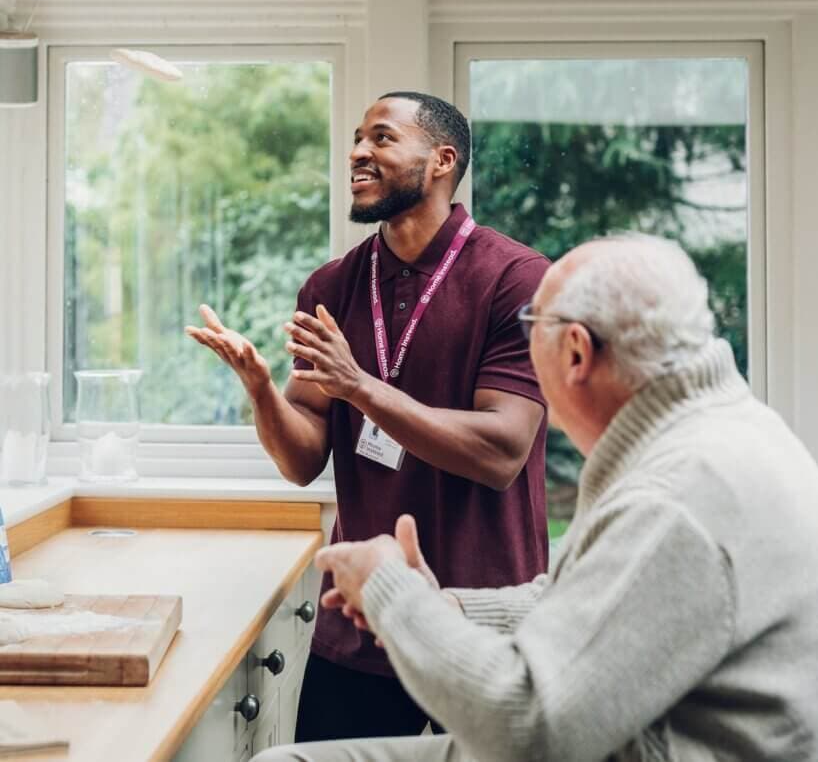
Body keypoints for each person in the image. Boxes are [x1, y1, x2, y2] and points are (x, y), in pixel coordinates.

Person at [252, 234, 818, 762]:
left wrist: (392, 593)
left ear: (574, 352)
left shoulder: (676, 496)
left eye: (528, 330)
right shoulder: (718, 434)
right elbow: (604, 601)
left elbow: (528, 732)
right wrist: (455, 609)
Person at [186, 92, 551, 741]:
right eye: (357, 138)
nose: (358, 151)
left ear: (441, 160)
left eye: (382, 138)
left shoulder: (516, 278)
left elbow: (501, 452)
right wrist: (263, 391)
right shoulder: (331, 287)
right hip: (355, 634)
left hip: (479, 632)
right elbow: (302, 461)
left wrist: (359, 385)